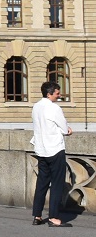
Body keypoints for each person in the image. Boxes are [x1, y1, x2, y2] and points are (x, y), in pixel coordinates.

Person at [31, 80, 72, 228]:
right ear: (49, 94)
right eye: (57, 93)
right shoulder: (54, 108)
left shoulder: (36, 107)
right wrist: (68, 130)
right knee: (56, 184)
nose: (59, 95)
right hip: (54, 149)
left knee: (41, 183)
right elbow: (64, 128)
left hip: (41, 150)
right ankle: (54, 217)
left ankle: (37, 215)